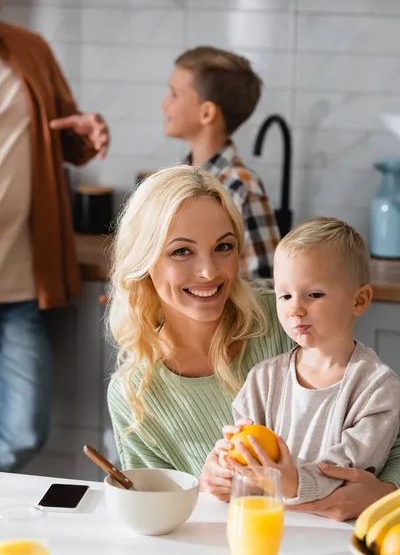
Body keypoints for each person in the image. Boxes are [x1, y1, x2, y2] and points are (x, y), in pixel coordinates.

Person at [107, 165, 400, 521]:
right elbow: (151, 509)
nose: (209, 272)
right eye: (182, 252)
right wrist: (205, 485)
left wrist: (385, 494)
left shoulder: (284, 318)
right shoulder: (135, 394)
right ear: (144, 261)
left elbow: (384, 434)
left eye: (223, 247)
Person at [0, 0, 110, 472]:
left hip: (21, 282)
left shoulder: (29, 50)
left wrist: (87, 134)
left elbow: (69, 136)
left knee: (24, 431)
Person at [213, 217, 400, 504]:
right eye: (285, 295)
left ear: (359, 300)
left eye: (314, 294)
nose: (295, 309)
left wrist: (293, 482)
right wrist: (229, 461)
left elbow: (349, 469)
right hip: (267, 526)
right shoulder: (263, 379)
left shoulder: (377, 388)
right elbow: (246, 460)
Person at [162, 46, 280, 281]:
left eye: (174, 94)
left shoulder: (240, 186)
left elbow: (266, 288)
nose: (164, 104)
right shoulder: (176, 179)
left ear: (207, 113)